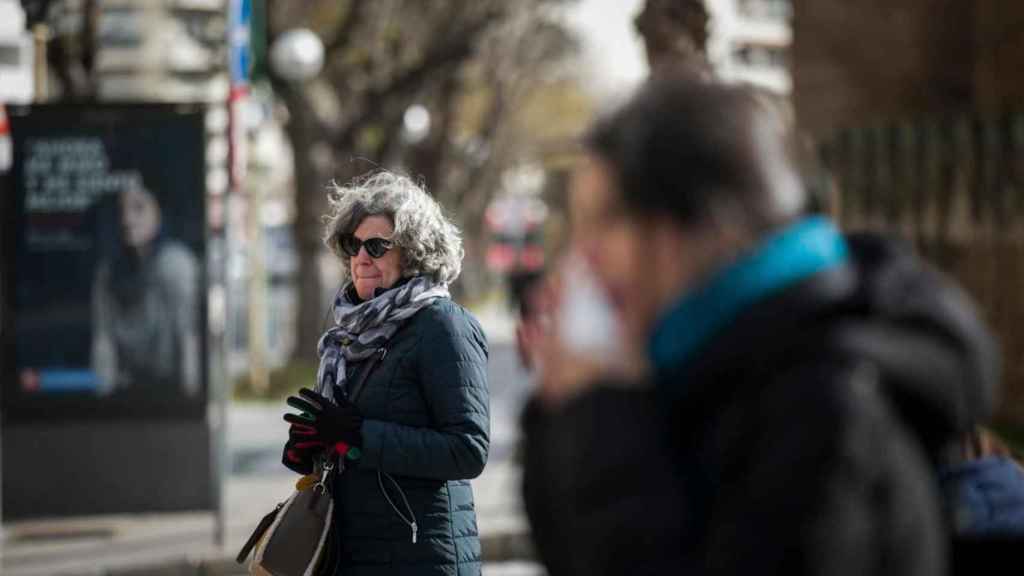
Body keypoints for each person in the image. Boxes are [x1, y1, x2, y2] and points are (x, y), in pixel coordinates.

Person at [520, 71, 1000, 575]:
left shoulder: (823, 409)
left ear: (693, 226)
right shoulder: (694, 367)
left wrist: (600, 415)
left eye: (607, 221)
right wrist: (567, 409)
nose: (583, 257)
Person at [281, 170, 490, 576]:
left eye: (376, 246)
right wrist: (313, 444)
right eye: (353, 245)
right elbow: (349, 447)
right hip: (351, 553)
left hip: (420, 559)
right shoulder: (348, 334)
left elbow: (468, 449)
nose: (361, 257)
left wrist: (357, 434)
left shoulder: (442, 325)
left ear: (412, 252)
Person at [91, 181, 200, 397]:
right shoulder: (108, 273)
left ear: (159, 212)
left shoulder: (176, 264)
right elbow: (103, 341)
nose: (127, 220)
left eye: (139, 208)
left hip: (170, 394)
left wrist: (190, 396)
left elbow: (188, 337)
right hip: (124, 395)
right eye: (121, 210)